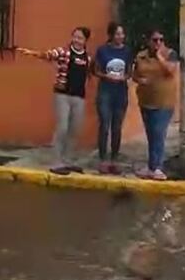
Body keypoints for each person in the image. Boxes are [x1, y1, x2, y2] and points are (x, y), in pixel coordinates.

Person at [15, 26, 92, 175]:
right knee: (62, 127)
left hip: (79, 97)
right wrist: (32, 53)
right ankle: (56, 162)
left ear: (85, 40)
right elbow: (48, 55)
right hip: (62, 94)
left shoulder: (87, 58)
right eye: (75, 36)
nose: (76, 40)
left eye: (80, 38)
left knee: (74, 130)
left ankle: (68, 160)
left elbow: (88, 75)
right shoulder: (64, 52)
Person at [133, 29, 180, 180]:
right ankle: (151, 166)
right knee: (151, 135)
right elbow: (134, 74)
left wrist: (159, 56)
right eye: (154, 40)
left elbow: (170, 71)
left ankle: (158, 167)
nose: (158, 43)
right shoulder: (141, 56)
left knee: (159, 134)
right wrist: (139, 80)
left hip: (164, 103)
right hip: (146, 101)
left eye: (161, 39)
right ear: (148, 41)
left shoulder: (170, 54)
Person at [93, 22, 134, 174]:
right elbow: (95, 70)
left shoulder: (127, 51)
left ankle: (114, 159)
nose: (120, 37)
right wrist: (106, 76)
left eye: (122, 34)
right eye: (117, 34)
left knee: (117, 127)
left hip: (121, 92)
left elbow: (130, 71)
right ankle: (103, 159)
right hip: (105, 91)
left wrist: (124, 77)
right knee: (104, 125)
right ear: (111, 35)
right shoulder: (102, 50)